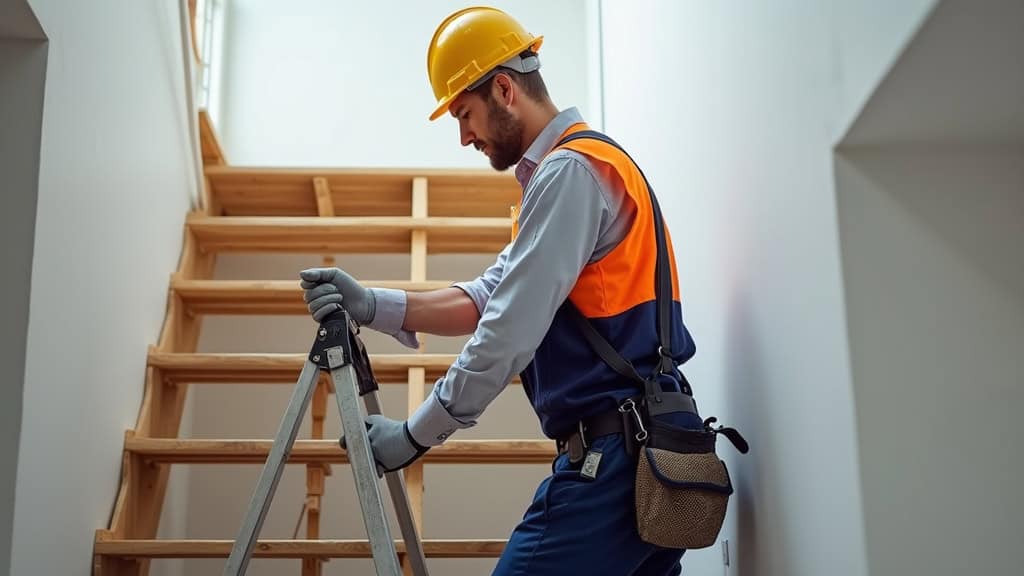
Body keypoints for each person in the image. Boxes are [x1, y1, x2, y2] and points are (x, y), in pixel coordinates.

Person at [299, 7, 700, 575]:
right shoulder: (583, 169)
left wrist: (415, 435)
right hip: (655, 455)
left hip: (615, 462)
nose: (464, 137)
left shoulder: (571, 174)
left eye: (464, 114)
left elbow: (506, 328)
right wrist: (374, 304)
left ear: (505, 89)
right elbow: (491, 294)